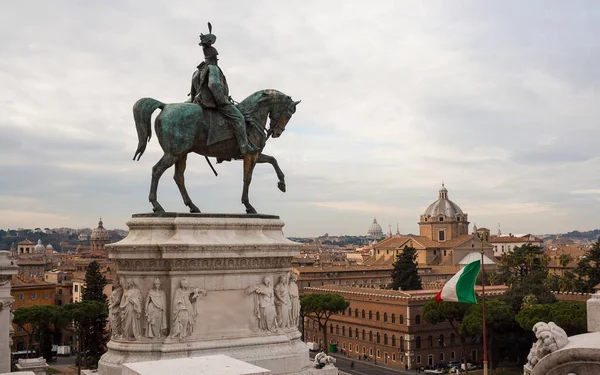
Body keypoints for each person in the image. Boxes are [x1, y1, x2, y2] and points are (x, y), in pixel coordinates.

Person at [189, 22, 258, 156]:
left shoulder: (198, 71)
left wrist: (192, 102)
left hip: (198, 101)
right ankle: (244, 147)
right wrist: (222, 101)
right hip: (213, 102)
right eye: (217, 57)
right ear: (214, 57)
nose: (217, 59)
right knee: (239, 118)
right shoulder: (213, 68)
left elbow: (193, 90)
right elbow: (213, 85)